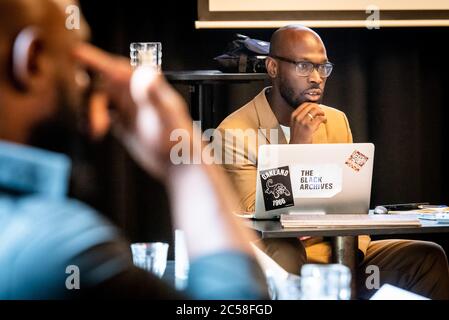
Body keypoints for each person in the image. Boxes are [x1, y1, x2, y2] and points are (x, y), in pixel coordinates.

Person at [0, 0, 267, 299]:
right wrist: (187, 162)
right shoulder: (57, 251)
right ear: (34, 61)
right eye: (76, 58)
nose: (86, 81)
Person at [216, 24, 449, 299]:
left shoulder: (336, 120)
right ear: (273, 68)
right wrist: (297, 150)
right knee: (286, 253)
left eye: (322, 67)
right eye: (304, 66)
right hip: (278, 254)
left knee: (426, 258)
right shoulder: (233, 132)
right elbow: (258, 219)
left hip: (339, 248)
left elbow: (351, 205)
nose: (316, 78)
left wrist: (351, 256)